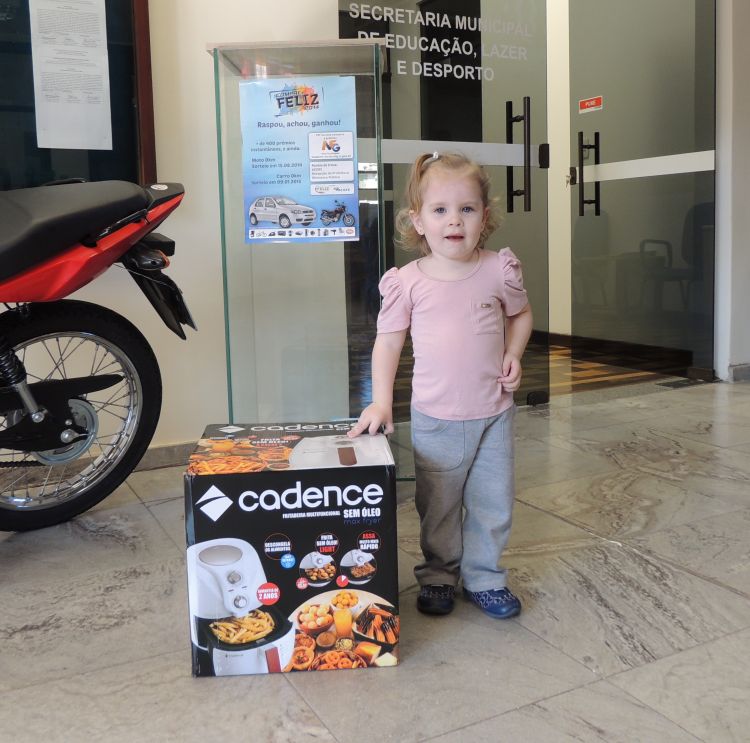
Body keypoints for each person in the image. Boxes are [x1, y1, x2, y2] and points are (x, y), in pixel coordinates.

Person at [348, 152, 533, 619]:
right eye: (440, 210)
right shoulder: (407, 282)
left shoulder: (498, 269)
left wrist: (513, 353)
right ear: (419, 221)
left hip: (494, 413)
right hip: (436, 418)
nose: (455, 220)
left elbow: (521, 315)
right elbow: (388, 342)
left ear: (484, 217)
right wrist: (381, 402)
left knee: (492, 503)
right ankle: (438, 575)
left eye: (467, 209)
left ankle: (485, 578)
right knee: (439, 506)